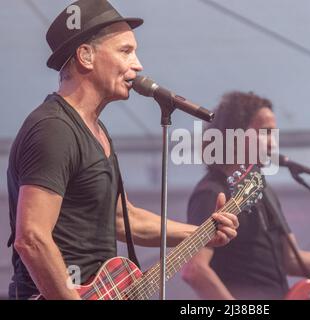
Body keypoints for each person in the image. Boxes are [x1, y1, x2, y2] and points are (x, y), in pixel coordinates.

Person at [7, 0, 238, 300]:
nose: (139, 65)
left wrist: (202, 233)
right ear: (85, 56)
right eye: (125, 51)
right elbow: (32, 238)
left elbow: (121, 218)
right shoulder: (54, 128)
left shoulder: (97, 131)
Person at [182, 91, 310, 300]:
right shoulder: (212, 192)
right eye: (265, 132)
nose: (273, 144)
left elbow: (291, 259)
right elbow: (194, 270)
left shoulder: (263, 192)